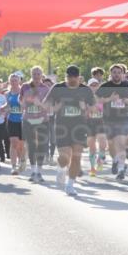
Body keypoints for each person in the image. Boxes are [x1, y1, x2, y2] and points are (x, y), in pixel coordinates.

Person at [45, 66, 95, 196]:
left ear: (79, 77)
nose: (72, 79)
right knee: (65, 157)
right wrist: (56, 107)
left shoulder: (86, 90)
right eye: (69, 77)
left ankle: (70, 185)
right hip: (62, 127)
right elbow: (46, 104)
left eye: (74, 77)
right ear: (65, 76)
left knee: (77, 157)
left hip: (79, 127)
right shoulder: (57, 88)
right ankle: (61, 169)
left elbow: (94, 108)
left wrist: (85, 108)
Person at [97, 63, 128, 181]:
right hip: (108, 119)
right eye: (114, 72)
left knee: (120, 144)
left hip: (123, 119)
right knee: (111, 145)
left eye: (119, 72)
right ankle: (115, 160)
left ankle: (121, 170)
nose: (117, 74)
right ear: (111, 74)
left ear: (122, 74)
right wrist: (109, 99)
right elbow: (96, 99)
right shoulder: (105, 86)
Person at [20, 68, 51, 182]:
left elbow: (48, 106)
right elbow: (21, 102)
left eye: (38, 74)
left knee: (42, 145)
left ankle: (40, 171)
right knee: (32, 145)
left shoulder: (46, 88)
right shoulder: (25, 86)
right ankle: (33, 171)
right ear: (31, 74)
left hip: (43, 120)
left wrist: (40, 104)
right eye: (34, 74)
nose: (36, 76)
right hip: (28, 119)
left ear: (42, 75)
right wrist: (26, 103)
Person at [85, 79, 106, 176]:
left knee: (102, 143)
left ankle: (100, 159)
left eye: (96, 85)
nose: (94, 86)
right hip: (89, 123)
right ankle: (92, 168)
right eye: (92, 85)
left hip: (100, 122)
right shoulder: (86, 97)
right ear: (88, 86)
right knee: (92, 146)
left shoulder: (102, 96)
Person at [5, 74, 26, 175]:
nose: (14, 82)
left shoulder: (24, 92)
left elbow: (27, 105)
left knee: (21, 146)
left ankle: (22, 161)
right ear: (9, 82)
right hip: (12, 121)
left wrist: (23, 106)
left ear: (19, 81)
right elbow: (8, 105)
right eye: (12, 81)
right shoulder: (8, 94)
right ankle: (13, 167)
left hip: (22, 121)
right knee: (13, 143)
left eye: (15, 80)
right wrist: (4, 108)